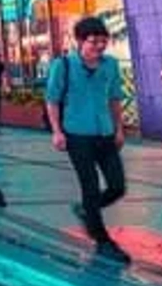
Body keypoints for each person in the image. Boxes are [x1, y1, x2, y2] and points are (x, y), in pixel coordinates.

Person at [46, 16, 130, 264]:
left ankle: (87, 210)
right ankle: (102, 240)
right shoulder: (64, 65)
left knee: (117, 186)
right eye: (94, 42)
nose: (99, 47)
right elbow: (52, 100)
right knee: (90, 185)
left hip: (105, 133)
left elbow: (115, 98)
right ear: (80, 41)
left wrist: (119, 129)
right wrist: (57, 131)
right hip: (77, 135)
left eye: (104, 42)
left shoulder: (110, 65)